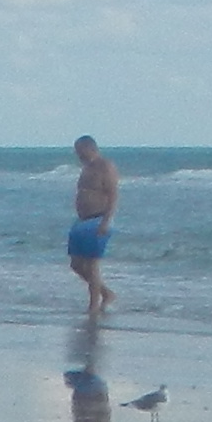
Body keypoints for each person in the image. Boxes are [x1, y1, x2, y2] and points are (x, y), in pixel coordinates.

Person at [65, 134, 119, 312]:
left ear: (90, 148)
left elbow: (113, 195)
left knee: (92, 265)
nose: (78, 154)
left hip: (98, 219)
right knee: (76, 264)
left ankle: (93, 305)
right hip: (82, 220)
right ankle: (106, 293)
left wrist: (106, 220)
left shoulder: (105, 166)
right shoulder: (86, 168)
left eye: (80, 151)